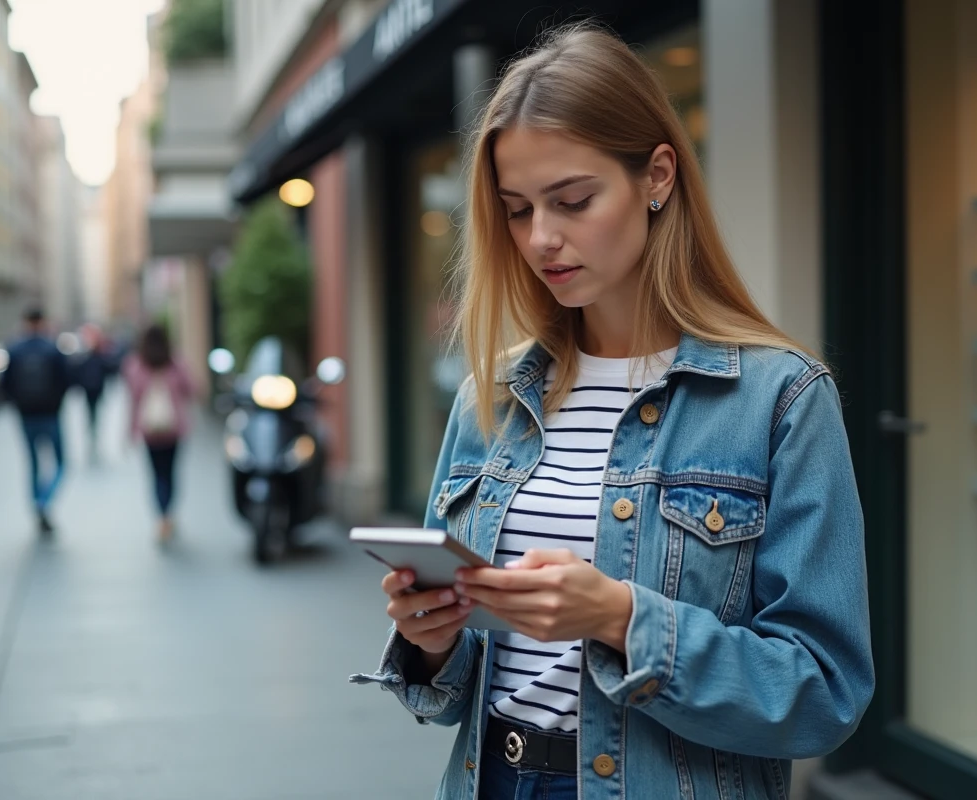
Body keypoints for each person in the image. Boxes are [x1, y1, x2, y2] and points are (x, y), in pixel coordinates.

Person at [353, 25, 874, 800]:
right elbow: (451, 693)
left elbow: (824, 692)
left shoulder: (780, 399)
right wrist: (429, 640)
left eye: (573, 200)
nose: (542, 238)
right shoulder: (490, 398)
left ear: (657, 175)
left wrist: (622, 618)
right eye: (517, 210)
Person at [122, 324, 195, 543]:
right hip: (174, 429)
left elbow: (133, 401)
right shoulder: (175, 363)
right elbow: (193, 389)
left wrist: (130, 431)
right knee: (170, 473)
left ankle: (162, 515)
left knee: (156, 474)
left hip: (149, 431)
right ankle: (168, 513)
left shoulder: (135, 365)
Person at [2, 308, 70, 535]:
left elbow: (6, 385)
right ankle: (44, 500)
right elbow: (66, 380)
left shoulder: (15, 349)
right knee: (60, 462)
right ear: (42, 322)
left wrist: (19, 405)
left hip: (26, 416)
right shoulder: (52, 348)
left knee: (33, 463)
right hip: (50, 415)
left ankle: (36, 502)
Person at [73, 323, 116, 460]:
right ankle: (92, 441)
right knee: (91, 416)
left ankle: (94, 440)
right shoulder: (85, 354)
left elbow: (109, 368)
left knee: (93, 416)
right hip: (89, 390)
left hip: (96, 390)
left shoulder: (97, 355)